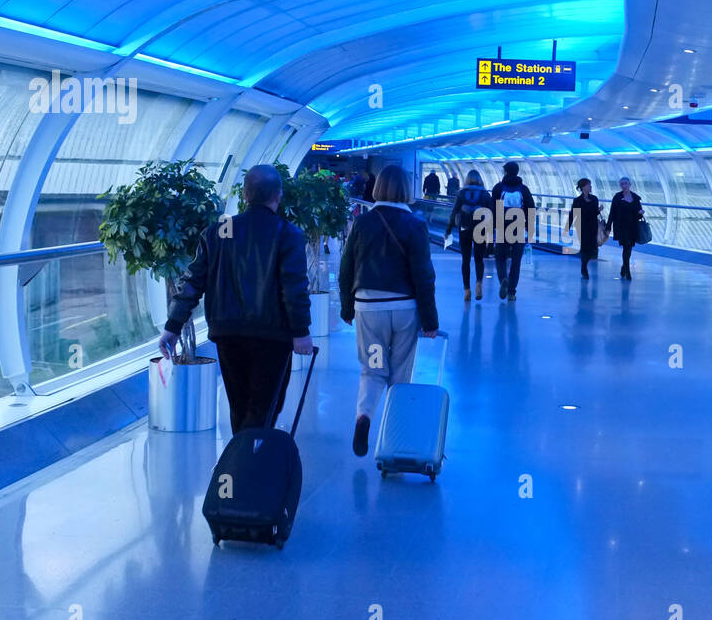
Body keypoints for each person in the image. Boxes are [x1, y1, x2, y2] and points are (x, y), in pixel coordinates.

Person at [158, 164, 314, 435]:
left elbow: (193, 281)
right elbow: (294, 287)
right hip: (272, 335)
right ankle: (249, 467)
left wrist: (173, 326)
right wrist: (301, 332)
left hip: (228, 332)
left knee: (239, 405)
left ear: (244, 195)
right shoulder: (288, 233)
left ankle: (238, 467)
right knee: (265, 406)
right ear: (278, 194)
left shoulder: (221, 230)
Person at [338, 164, 439, 457]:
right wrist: (430, 320)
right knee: (400, 373)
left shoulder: (362, 223)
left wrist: (347, 308)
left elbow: (347, 270)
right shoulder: (416, 225)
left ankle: (364, 417)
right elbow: (424, 275)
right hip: (405, 309)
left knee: (373, 369)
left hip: (369, 309)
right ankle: (394, 437)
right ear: (407, 190)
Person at [445, 169, 493, 301]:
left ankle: (467, 290)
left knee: (465, 260)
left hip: (464, 228)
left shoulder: (461, 193)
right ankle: (478, 283)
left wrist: (448, 229)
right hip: (480, 228)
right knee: (479, 259)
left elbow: (454, 212)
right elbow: (491, 214)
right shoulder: (485, 195)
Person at [491, 161, 535, 301]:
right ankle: (511, 293)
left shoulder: (498, 188)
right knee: (516, 261)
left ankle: (503, 279)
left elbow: (492, 209)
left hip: (502, 227)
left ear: (505, 172)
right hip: (519, 227)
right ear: (517, 172)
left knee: (500, 257)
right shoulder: (524, 189)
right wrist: (530, 228)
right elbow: (531, 208)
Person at [607, 176, 645, 280]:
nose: (623, 186)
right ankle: (627, 271)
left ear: (629, 184)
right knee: (626, 246)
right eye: (622, 184)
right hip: (621, 226)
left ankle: (624, 267)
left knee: (629, 247)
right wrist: (608, 226)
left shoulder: (636, 198)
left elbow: (638, 213)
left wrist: (641, 213)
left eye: (625, 183)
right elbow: (612, 212)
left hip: (632, 226)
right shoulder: (617, 197)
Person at [567, 177, 603, 280]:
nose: (590, 187)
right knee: (584, 248)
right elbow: (573, 213)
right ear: (583, 187)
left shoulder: (594, 199)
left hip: (593, 227)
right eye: (589, 185)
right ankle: (584, 268)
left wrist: (598, 210)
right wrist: (568, 226)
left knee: (592, 248)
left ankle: (584, 265)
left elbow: (594, 213)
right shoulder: (578, 201)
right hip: (582, 227)